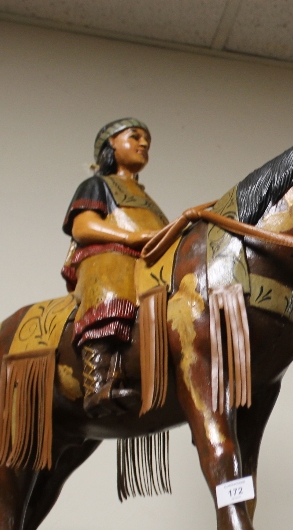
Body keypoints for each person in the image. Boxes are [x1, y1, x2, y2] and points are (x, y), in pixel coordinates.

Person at [61, 118, 169, 417]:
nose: (143, 144)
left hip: (148, 260)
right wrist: (131, 237)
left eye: (146, 139)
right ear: (111, 144)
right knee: (112, 283)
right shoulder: (98, 185)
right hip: (111, 255)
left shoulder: (146, 198)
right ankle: (97, 381)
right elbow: (83, 227)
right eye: (134, 136)